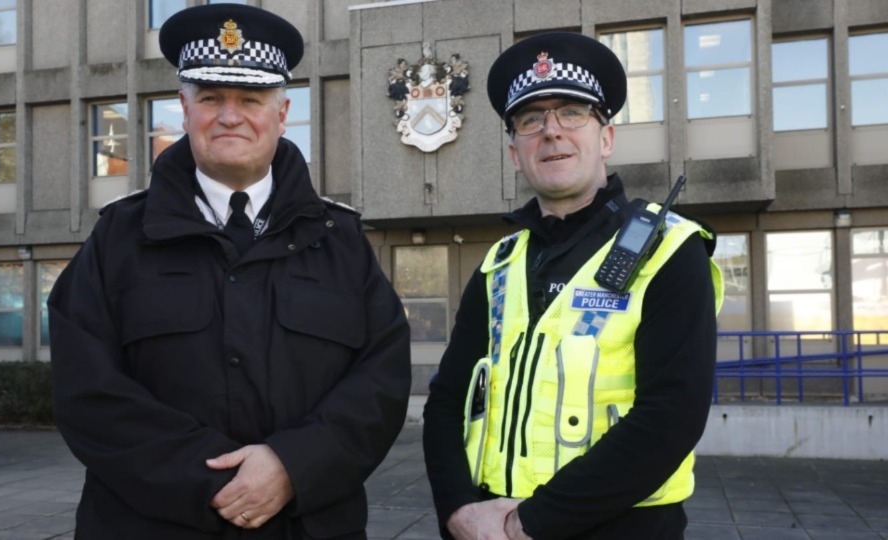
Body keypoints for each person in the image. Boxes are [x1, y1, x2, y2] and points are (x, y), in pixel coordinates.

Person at [48, 4, 411, 539]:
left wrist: (292, 466)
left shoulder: (341, 240)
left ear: (282, 113)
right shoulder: (119, 238)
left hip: (307, 522)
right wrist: (213, 481)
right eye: (211, 98)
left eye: (250, 99)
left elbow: (380, 384)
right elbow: (86, 390)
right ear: (183, 108)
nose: (229, 115)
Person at [423, 32, 724, 540]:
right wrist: (458, 510)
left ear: (605, 138)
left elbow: (671, 416)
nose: (551, 132)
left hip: (619, 528)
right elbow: (448, 398)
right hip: (485, 523)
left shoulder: (671, 251)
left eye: (572, 113)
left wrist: (528, 525)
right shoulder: (500, 263)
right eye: (531, 120)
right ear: (515, 152)